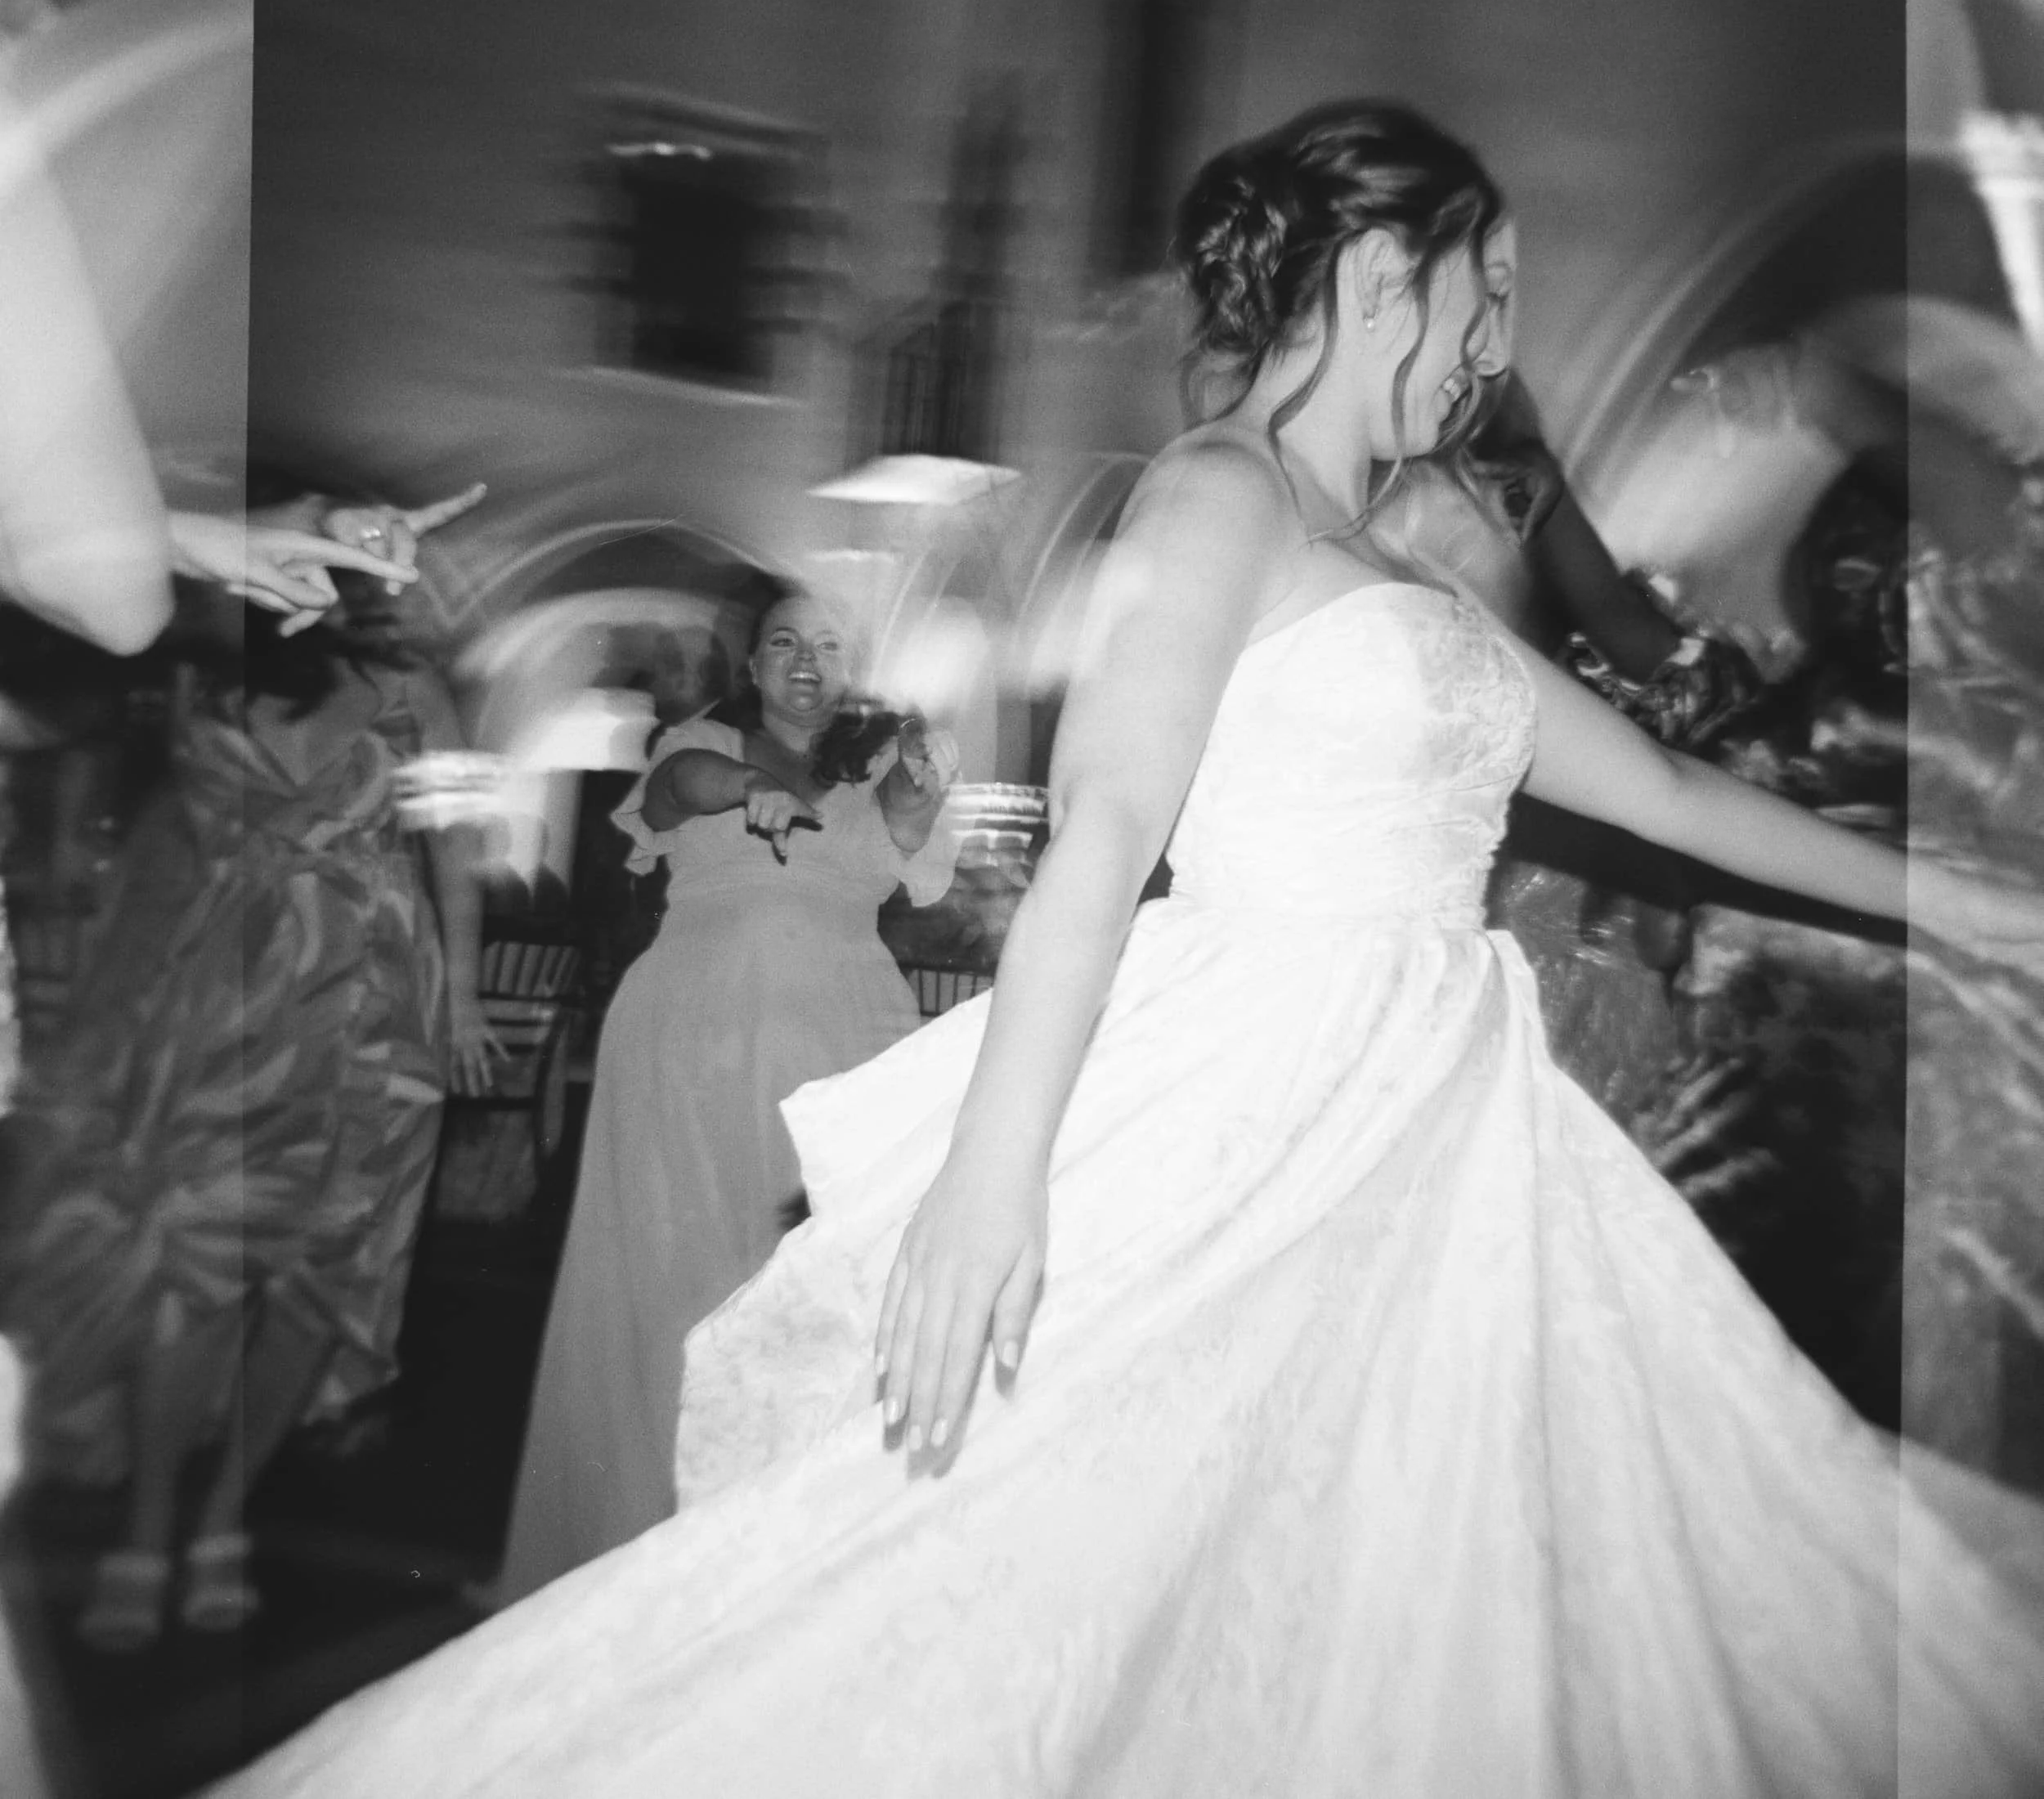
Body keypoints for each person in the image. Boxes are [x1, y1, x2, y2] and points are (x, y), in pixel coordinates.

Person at [217, 102, 2044, 1799]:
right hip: (1254, 1089)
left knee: (1371, 1574)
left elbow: (1656, 784)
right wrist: (989, 1179)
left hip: (1437, 1125)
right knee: (1042, 1560)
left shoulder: (1392, 553)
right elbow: (1099, 828)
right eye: (1484, 285)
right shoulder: (1213, 494)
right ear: (1376, 266)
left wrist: (1964, 895)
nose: (1497, 339)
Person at [7, 483, 495, 1652]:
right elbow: (124, 811)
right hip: (225, 1002)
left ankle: (224, 1511)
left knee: (324, 1279)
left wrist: (467, 992)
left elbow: (457, 851)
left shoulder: (419, 689)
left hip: (378, 1004)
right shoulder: (207, 656)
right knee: (200, 1261)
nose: (361, 553)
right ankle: (148, 1524)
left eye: (374, 541)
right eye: (335, 528)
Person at [494, 590, 961, 1602]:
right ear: (751, 666)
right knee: (685, 1270)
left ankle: (797, 1551)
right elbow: (681, 787)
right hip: (693, 1038)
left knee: (818, 1280)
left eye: (829, 644)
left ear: (851, 666)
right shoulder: (697, 740)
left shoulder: (876, 762)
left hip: (848, 1032)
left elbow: (904, 855)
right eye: (784, 642)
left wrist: (919, 795)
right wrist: (743, 781)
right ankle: (653, 1538)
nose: (806, 659)